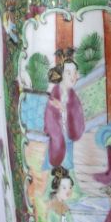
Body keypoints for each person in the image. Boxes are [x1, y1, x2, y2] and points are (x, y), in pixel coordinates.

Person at [43, 50, 85, 200]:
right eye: (68, 73)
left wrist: (65, 110)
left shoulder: (73, 96)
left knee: (69, 163)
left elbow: (78, 117)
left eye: (74, 72)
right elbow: (49, 117)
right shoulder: (55, 94)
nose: (73, 76)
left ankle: (72, 192)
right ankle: (52, 191)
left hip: (68, 136)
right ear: (61, 75)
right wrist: (57, 135)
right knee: (54, 164)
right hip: (57, 139)